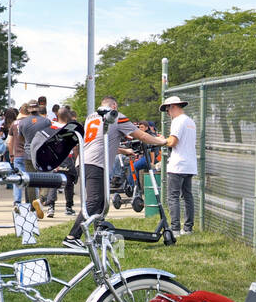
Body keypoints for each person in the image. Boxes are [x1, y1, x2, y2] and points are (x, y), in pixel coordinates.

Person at [63, 95, 167, 249]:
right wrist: (162, 141)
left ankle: (97, 236)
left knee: (101, 202)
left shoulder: (92, 118)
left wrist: (124, 151)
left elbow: (101, 141)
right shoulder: (114, 116)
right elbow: (142, 135)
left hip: (84, 162)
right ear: (114, 106)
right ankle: (72, 236)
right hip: (95, 163)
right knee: (94, 200)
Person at [159, 95, 197, 234]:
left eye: (167, 110)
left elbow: (173, 142)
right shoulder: (190, 121)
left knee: (173, 196)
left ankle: (174, 228)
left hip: (178, 164)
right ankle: (188, 228)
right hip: (190, 164)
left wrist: (162, 140)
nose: (168, 114)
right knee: (187, 196)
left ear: (173, 107)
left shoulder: (177, 121)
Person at [5, 100, 35, 203]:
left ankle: (17, 202)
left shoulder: (14, 124)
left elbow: (9, 142)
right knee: (32, 179)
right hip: (31, 156)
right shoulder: (32, 122)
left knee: (18, 180)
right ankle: (32, 201)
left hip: (18, 155)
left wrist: (11, 155)